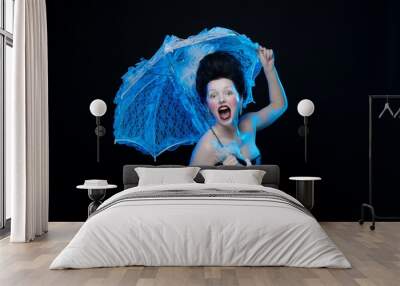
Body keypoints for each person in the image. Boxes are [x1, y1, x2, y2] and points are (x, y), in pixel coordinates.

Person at [189, 46, 287, 166]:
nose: (221, 99)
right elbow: (191, 184)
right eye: (213, 95)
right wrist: (222, 175)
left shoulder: (249, 124)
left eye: (228, 92)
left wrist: (269, 69)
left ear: (241, 98)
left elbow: (279, 105)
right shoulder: (207, 146)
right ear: (207, 105)